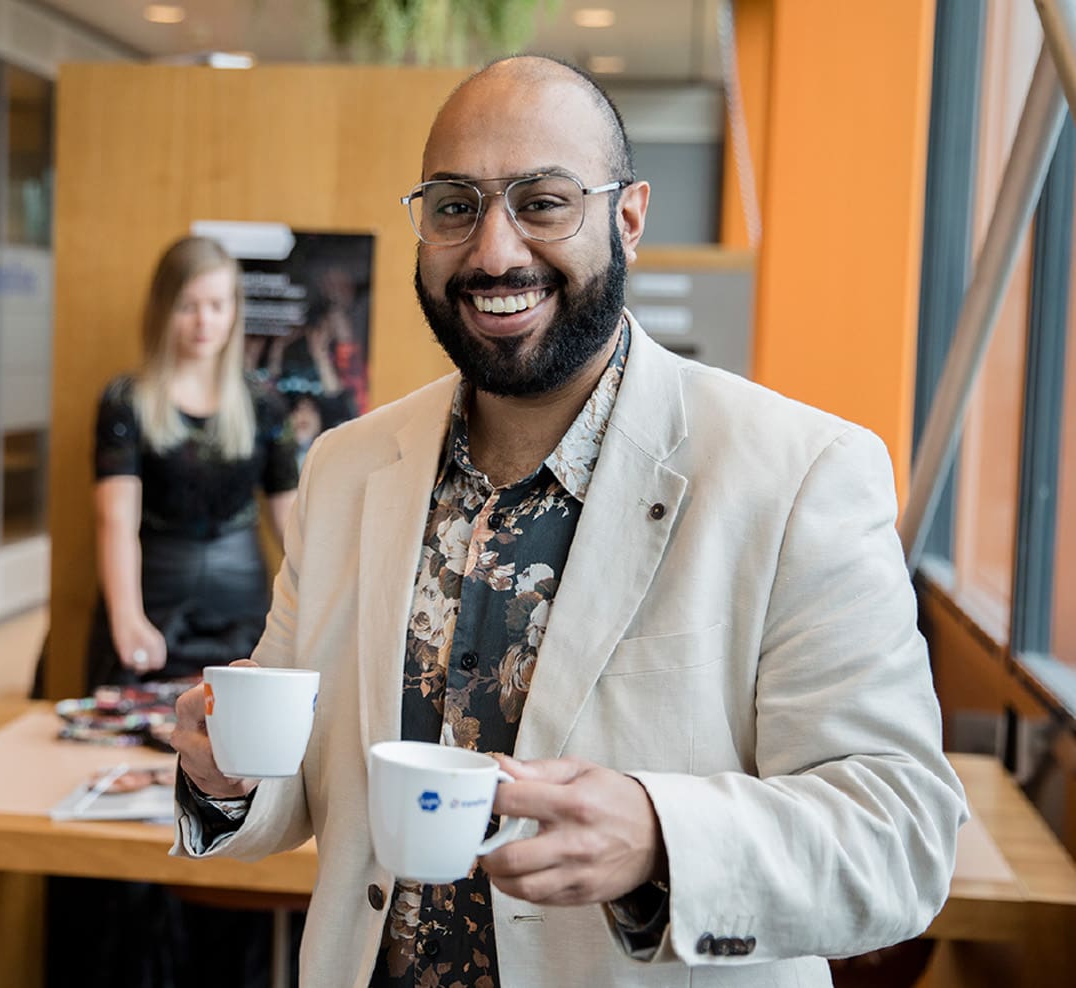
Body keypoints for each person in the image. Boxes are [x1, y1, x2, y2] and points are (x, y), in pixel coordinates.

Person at [169, 55, 967, 987]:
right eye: (455, 206)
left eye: (543, 202)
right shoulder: (347, 467)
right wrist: (222, 778)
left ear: (626, 218)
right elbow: (302, 784)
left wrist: (659, 837)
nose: (494, 252)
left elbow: (900, 833)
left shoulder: (796, 473)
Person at [48, 235, 300, 988]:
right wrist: (127, 616)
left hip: (240, 616)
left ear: (234, 313)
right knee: (127, 790)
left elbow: (292, 528)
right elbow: (114, 522)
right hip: (149, 607)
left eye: (217, 305)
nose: (203, 320)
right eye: (189, 304)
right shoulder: (126, 400)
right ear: (165, 311)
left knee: (230, 783)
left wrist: (309, 625)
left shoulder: (261, 403)